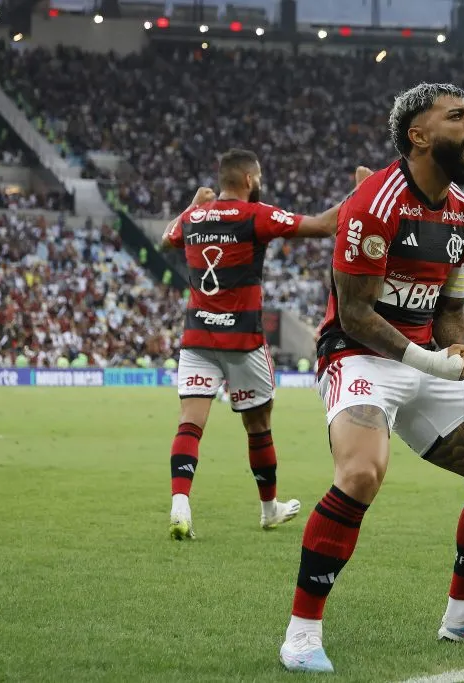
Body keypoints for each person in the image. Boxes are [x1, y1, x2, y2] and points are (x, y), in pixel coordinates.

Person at [279, 83, 464, 674]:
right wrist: (431, 361)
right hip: (359, 356)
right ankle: (300, 634)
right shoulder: (374, 203)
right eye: (457, 117)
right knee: (361, 472)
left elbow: (449, 312)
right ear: (418, 136)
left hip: (425, 358)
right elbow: (355, 312)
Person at [161, 148, 371, 540]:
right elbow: (325, 225)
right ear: (247, 180)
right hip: (242, 337)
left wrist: (194, 203)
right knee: (259, 425)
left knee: (189, 424)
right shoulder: (255, 215)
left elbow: (166, 237)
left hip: (196, 337)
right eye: (258, 177)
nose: (260, 183)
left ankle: (180, 504)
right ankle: (268, 508)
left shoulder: (193, 217)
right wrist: (361, 193)